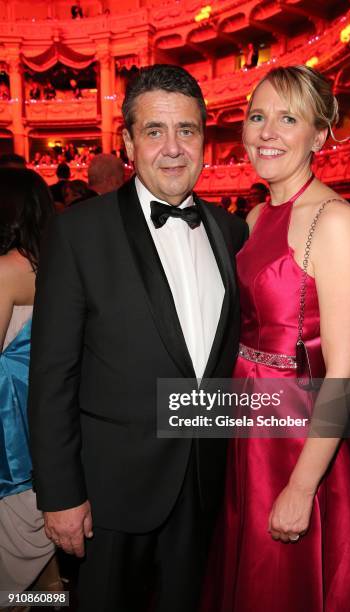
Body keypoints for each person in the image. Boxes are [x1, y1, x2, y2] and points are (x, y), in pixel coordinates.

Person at [28, 64, 248, 612]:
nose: (173, 148)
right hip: (110, 496)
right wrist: (60, 495)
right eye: (155, 131)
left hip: (204, 483)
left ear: (204, 138)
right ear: (128, 142)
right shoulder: (79, 232)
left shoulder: (228, 229)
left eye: (187, 131)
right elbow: (52, 374)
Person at [202, 66, 350, 611]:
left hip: (299, 436)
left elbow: (348, 369)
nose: (267, 132)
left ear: (320, 136)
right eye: (257, 117)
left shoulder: (333, 220)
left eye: (288, 119)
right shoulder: (258, 215)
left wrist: (303, 486)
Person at [0, 169, 59, 609]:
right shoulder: (54, 263)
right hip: (43, 416)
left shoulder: (6, 269)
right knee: (43, 558)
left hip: (9, 422)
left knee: (11, 562)